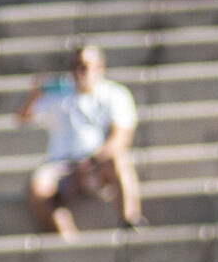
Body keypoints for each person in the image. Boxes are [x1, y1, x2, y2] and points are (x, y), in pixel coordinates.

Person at [15, 45, 142, 240]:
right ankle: (68, 239)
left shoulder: (114, 94)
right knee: (38, 188)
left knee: (119, 160)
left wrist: (91, 161)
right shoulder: (59, 93)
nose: (78, 72)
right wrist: (34, 96)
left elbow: (121, 138)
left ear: (100, 67)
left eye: (84, 66)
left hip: (96, 162)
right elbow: (22, 118)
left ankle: (130, 220)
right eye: (74, 66)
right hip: (61, 165)